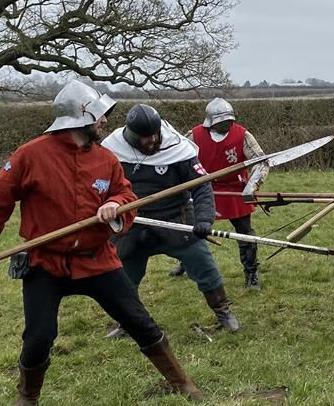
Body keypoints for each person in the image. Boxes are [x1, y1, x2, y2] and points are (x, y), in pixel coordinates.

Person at [0, 80, 201, 403]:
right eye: (99, 115)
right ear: (81, 117)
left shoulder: (105, 159)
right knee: (39, 336)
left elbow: (126, 194)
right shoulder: (30, 156)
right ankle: (27, 396)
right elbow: (0, 199)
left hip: (97, 259)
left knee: (139, 322)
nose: (104, 121)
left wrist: (116, 205)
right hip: (45, 262)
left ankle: (181, 383)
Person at [102, 104, 240, 336]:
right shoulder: (111, 151)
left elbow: (201, 186)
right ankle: (126, 323)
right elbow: (99, 187)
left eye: (155, 135)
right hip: (132, 225)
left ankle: (223, 312)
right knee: (123, 277)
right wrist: (108, 205)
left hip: (176, 220)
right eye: (145, 138)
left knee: (204, 267)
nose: (152, 141)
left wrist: (204, 219)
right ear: (131, 134)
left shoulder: (178, 149)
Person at [176, 98, 270, 290]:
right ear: (210, 121)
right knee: (189, 230)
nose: (227, 125)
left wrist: (252, 186)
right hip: (204, 188)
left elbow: (261, 161)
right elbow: (179, 157)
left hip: (235, 189)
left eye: (229, 121)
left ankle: (251, 272)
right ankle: (186, 263)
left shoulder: (242, 135)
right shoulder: (194, 135)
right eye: (222, 122)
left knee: (245, 233)